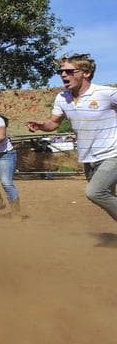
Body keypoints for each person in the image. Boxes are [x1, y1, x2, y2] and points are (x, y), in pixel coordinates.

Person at [26, 54, 117, 222]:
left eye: (69, 71)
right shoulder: (62, 98)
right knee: (107, 197)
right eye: (61, 71)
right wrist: (41, 126)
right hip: (88, 158)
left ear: (86, 73)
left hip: (113, 154)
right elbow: (53, 123)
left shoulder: (107, 93)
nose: (63, 75)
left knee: (95, 192)